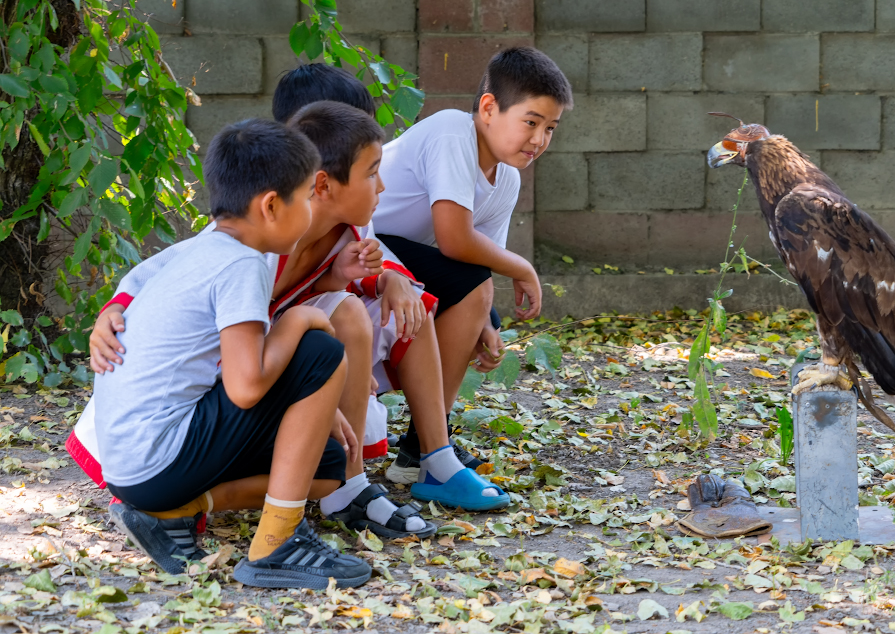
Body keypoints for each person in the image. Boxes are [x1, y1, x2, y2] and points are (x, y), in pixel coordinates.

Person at [82, 75, 510, 519]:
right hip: (203, 387)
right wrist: (113, 309)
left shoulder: (336, 224)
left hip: (247, 357)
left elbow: (350, 270)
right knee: (322, 342)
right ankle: (278, 533)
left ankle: (407, 467)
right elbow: (162, 274)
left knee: (378, 313)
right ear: (318, 179)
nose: (381, 185)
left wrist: (376, 279)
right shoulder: (250, 240)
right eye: (371, 170)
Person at [95, 119, 372, 588]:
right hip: (157, 458)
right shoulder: (243, 264)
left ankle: (172, 515)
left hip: (131, 468)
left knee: (328, 468)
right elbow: (246, 388)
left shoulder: (204, 250)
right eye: (305, 197)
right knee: (320, 352)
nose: (309, 210)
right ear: (270, 205)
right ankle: (277, 545)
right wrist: (301, 318)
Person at [374, 47, 572, 483]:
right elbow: (455, 239)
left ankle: (420, 447)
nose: (539, 139)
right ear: (488, 108)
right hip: (364, 246)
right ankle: (430, 449)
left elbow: (475, 260)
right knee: (477, 292)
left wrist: (484, 321)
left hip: (412, 261)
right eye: (531, 122)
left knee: (487, 310)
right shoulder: (451, 131)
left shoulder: (508, 181)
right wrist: (523, 267)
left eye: (550, 129)